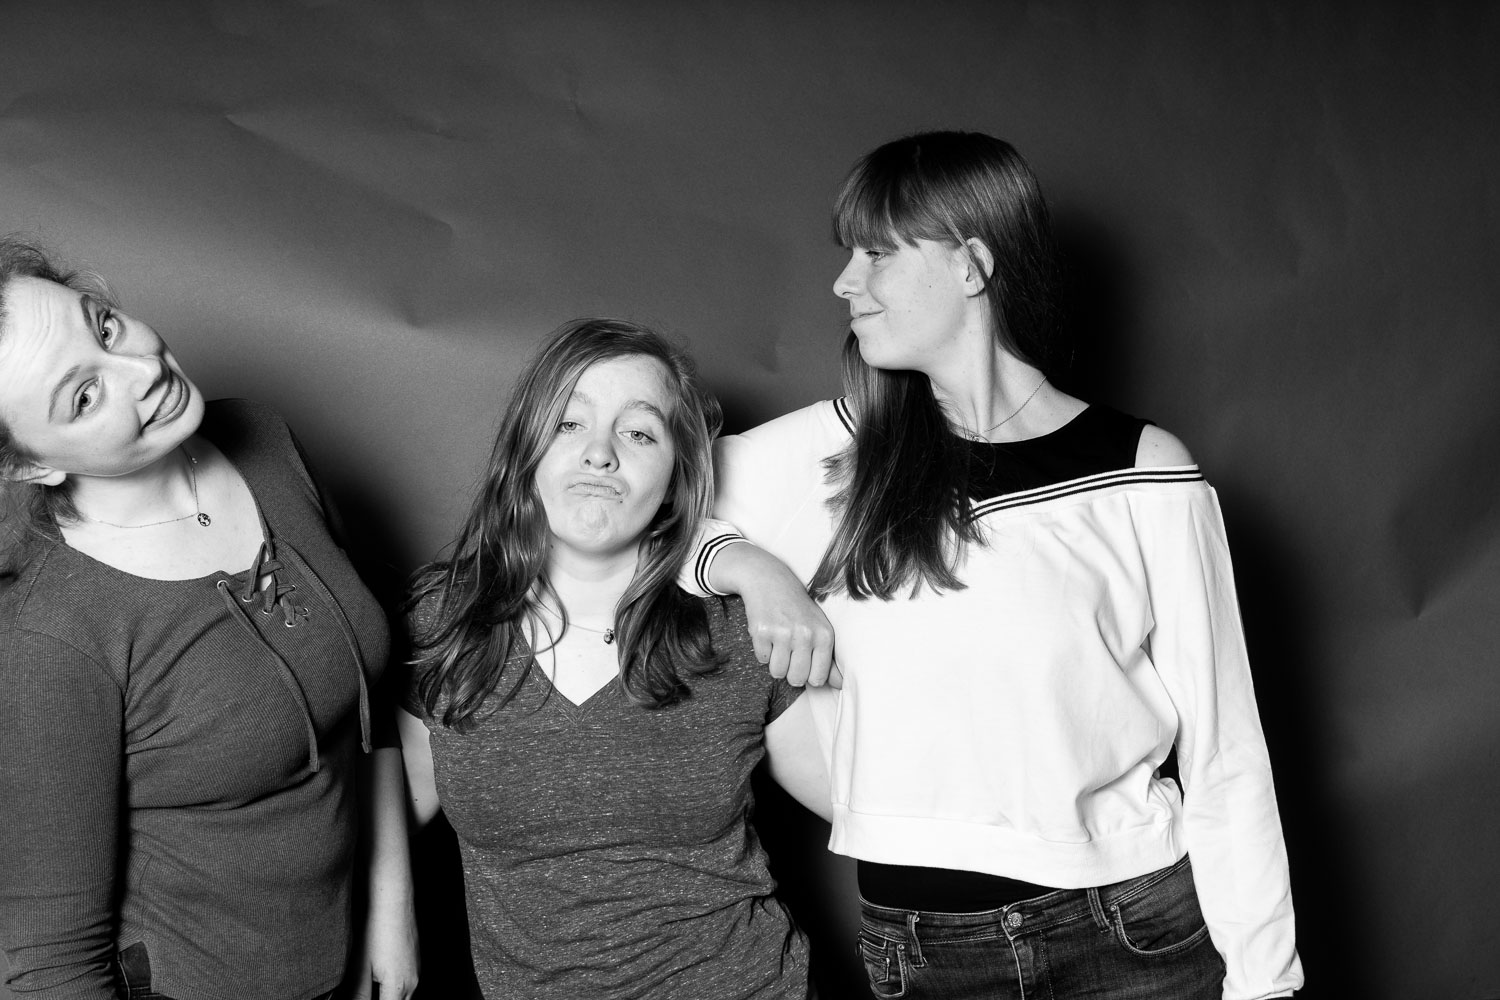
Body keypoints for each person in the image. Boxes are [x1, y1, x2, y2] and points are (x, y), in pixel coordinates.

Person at [700, 132, 1305, 999]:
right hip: (925, 953)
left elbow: (1224, 751)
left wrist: (1265, 983)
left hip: (1134, 934)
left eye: (877, 254)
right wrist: (748, 567)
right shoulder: (839, 449)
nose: (845, 283)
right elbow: (642, 508)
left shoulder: (1142, 471)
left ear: (972, 264)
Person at [0, 239, 417, 1000]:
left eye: (104, 326)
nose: (141, 371)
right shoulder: (51, 635)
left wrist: (391, 910)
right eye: (84, 396)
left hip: (341, 965)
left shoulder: (262, 440)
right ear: (31, 465)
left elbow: (361, 693)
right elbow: (48, 963)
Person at [395, 318, 830, 999]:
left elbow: (868, 805)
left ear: (679, 474)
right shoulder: (443, 621)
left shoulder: (739, 630)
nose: (600, 453)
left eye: (640, 433)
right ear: (525, 450)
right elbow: (377, 811)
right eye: (570, 424)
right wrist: (385, 923)